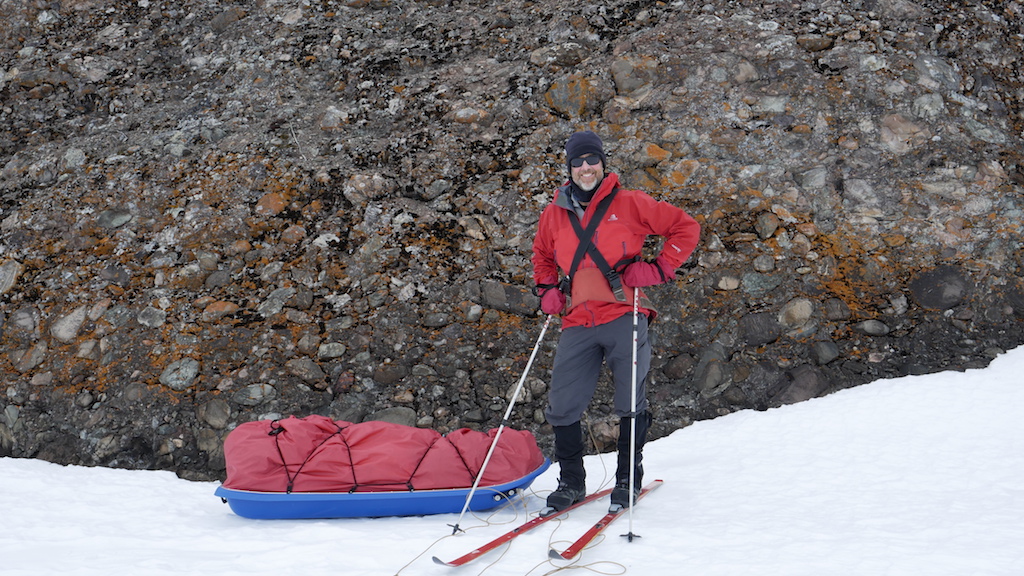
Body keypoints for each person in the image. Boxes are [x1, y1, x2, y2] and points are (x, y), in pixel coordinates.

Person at [531, 130, 700, 511]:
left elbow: (686, 228)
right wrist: (546, 291)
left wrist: (659, 268)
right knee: (562, 403)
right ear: (569, 168)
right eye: (577, 162)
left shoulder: (630, 203)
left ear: (602, 164)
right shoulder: (554, 212)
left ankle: (627, 478)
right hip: (577, 319)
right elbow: (542, 254)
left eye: (592, 160)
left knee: (629, 400)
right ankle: (571, 481)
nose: (585, 168)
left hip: (625, 313)